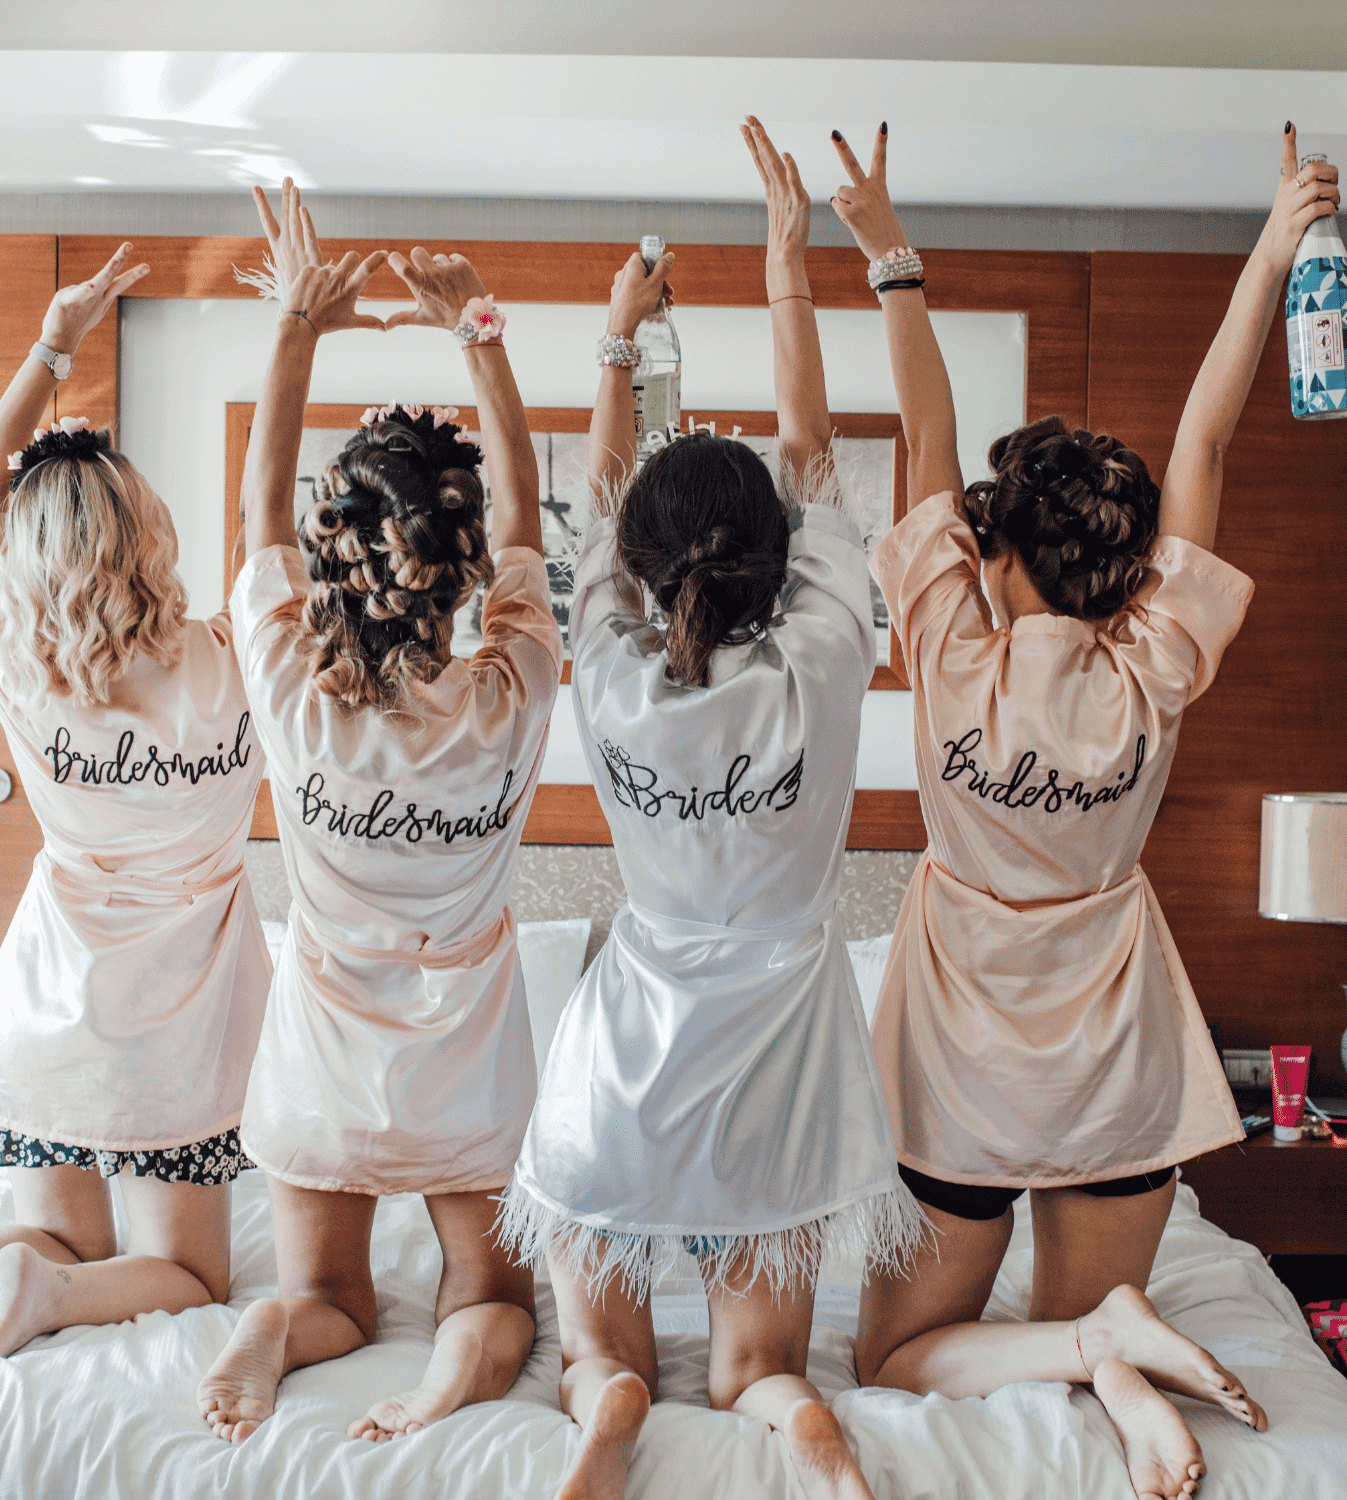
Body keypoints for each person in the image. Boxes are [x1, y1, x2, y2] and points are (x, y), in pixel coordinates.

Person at [831, 123, 1337, 1500]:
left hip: (957, 1082)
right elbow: (1209, 434)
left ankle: (1089, 1350)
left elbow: (923, 429)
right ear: (1116, 566)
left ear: (993, 554)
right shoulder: (1152, 667)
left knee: (891, 1359)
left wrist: (892, 256)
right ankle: (1116, 1341)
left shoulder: (948, 652)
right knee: (1037, 1294)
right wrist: (1278, 244)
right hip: (1115, 1072)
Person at [498, 120, 921, 1500]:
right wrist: (789, 265)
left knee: (592, 1338)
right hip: (785, 1048)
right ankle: (795, 1417)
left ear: (640, 568)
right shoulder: (825, 658)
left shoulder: (608, 675)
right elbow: (809, 445)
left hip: (629, 1047)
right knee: (758, 1363)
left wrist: (620, 339)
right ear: (786, 559)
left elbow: (601, 502)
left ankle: (608, 1401)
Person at [0, 244, 272, 1366]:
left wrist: (55, 342)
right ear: (152, 535)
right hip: (173, 1035)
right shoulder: (233, 664)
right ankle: (42, 1295)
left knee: (53, 1233)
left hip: (47, 1015)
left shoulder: (15, 652)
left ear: (30, 557)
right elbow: (268, 532)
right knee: (187, 1272)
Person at [196, 183, 561, 1445]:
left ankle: (274, 1331)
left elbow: (252, 522)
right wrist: (482, 332)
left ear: (337, 551)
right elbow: (524, 520)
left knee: (329, 1296)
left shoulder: (295, 698)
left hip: (321, 1063)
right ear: (459, 576)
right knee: (498, 1294)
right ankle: (454, 1379)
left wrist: (297, 325)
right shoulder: (511, 693)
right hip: (469, 1073)